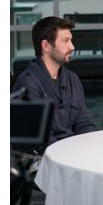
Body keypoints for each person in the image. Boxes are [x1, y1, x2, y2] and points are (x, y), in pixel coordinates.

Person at [12, 16, 95, 152]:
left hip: (71, 153)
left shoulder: (72, 79)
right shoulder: (28, 85)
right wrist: (75, 153)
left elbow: (83, 122)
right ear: (46, 46)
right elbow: (41, 143)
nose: (72, 47)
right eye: (65, 41)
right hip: (42, 162)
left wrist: (90, 146)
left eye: (71, 40)